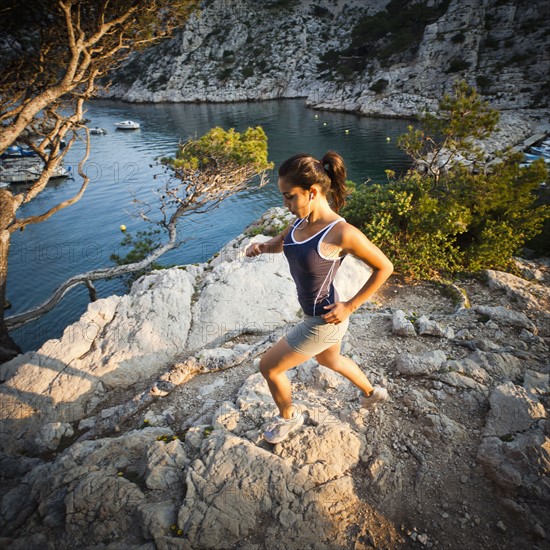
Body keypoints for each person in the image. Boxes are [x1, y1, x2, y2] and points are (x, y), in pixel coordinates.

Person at [245, 151, 394, 444]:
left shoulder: (341, 232)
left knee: (269, 367)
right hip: (320, 317)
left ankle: (289, 418)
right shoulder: (300, 223)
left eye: (289, 197)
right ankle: (373, 393)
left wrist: (350, 306)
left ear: (312, 192)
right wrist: (263, 246)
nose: (285, 204)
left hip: (323, 320)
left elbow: (384, 267)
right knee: (330, 360)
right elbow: (285, 243)